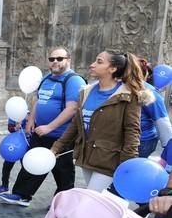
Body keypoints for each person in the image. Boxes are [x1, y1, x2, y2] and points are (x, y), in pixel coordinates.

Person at [51, 51, 151, 191]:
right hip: (87, 157)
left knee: (91, 200)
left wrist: (127, 165)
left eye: (99, 61)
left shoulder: (128, 96)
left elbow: (132, 131)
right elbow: (75, 125)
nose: (92, 65)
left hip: (110, 160)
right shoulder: (86, 91)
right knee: (98, 202)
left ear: (112, 69)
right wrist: (57, 147)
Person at [0, 47, 86, 207]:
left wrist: (50, 127)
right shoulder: (47, 78)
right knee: (32, 161)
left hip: (61, 134)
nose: (55, 62)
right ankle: (22, 194)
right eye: (52, 59)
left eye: (59, 59)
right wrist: (31, 119)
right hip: (40, 130)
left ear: (68, 60)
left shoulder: (74, 80)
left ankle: (63, 202)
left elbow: (72, 108)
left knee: (62, 170)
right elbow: (39, 100)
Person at [136, 58, 172, 158]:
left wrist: (168, 148)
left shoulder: (150, 92)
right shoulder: (115, 87)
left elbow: (162, 122)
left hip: (142, 141)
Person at [0, 117, 29, 195]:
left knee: (25, 168)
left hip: (27, 144)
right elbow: (10, 128)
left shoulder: (33, 112)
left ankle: (22, 190)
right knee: (7, 166)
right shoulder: (14, 115)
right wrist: (16, 127)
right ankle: (4, 186)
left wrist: (29, 121)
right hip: (14, 144)